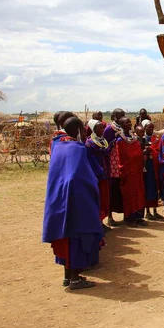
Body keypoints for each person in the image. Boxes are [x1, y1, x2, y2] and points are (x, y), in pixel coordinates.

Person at [42, 117, 102, 290]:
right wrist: (92, 189)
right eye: (83, 130)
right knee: (77, 237)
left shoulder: (58, 145)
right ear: (76, 130)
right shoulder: (78, 148)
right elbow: (80, 176)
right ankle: (75, 279)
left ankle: (67, 276)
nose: (85, 133)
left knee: (65, 237)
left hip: (58, 200)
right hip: (77, 201)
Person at [114, 118, 147, 227]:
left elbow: (138, 152)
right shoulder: (120, 140)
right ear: (121, 125)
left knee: (139, 193)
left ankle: (139, 217)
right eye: (126, 122)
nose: (129, 124)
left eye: (129, 122)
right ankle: (130, 218)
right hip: (128, 171)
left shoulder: (133, 138)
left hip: (137, 171)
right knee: (130, 195)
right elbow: (121, 156)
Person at [85, 119, 111, 233]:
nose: (102, 130)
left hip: (105, 173)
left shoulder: (103, 141)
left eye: (102, 128)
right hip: (96, 174)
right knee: (97, 198)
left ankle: (101, 222)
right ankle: (97, 224)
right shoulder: (90, 143)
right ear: (93, 129)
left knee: (104, 198)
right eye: (99, 128)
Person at [104, 108, 125, 226]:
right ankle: (110, 217)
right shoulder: (109, 129)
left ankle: (125, 214)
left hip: (122, 162)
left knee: (122, 188)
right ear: (114, 117)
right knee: (112, 190)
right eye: (119, 116)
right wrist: (115, 138)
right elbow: (104, 146)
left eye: (123, 115)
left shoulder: (124, 128)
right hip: (112, 165)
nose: (121, 117)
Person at [141, 120, 163, 220]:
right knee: (147, 188)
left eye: (151, 127)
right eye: (148, 127)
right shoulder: (142, 139)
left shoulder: (156, 139)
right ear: (144, 128)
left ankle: (155, 210)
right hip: (147, 168)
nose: (150, 129)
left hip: (154, 166)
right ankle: (148, 212)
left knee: (155, 188)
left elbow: (158, 150)